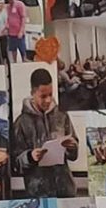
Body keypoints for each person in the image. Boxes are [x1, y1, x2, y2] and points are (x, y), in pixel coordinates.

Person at [10, 67, 77, 198]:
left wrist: (72, 147)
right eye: (43, 96)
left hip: (65, 190)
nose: (48, 100)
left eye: (51, 94)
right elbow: (15, 163)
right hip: (38, 194)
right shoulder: (21, 123)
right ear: (32, 93)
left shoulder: (62, 115)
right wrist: (30, 157)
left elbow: (73, 154)